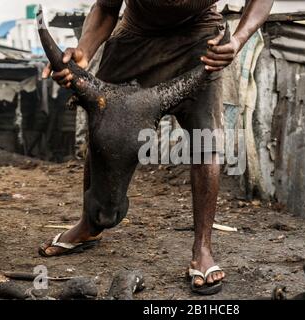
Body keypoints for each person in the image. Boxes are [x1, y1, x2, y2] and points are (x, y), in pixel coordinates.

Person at [39, 0, 274, 295]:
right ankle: (89, 224)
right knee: (103, 127)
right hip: (135, 39)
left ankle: (202, 248)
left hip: (200, 41)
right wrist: (84, 50)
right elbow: (107, 7)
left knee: (205, 142)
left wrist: (238, 40)